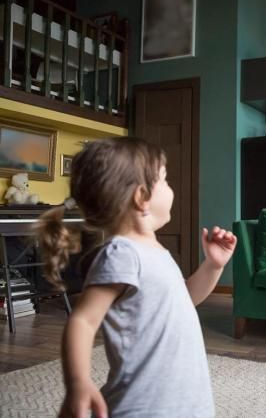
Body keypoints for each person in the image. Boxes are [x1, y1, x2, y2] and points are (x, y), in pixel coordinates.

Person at [36, 137, 236, 417]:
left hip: (186, 401)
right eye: (165, 180)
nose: (171, 188)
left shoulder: (154, 251)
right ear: (141, 197)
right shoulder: (122, 253)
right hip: (144, 406)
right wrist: (77, 383)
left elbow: (185, 299)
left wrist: (213, 265)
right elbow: (83, 320)